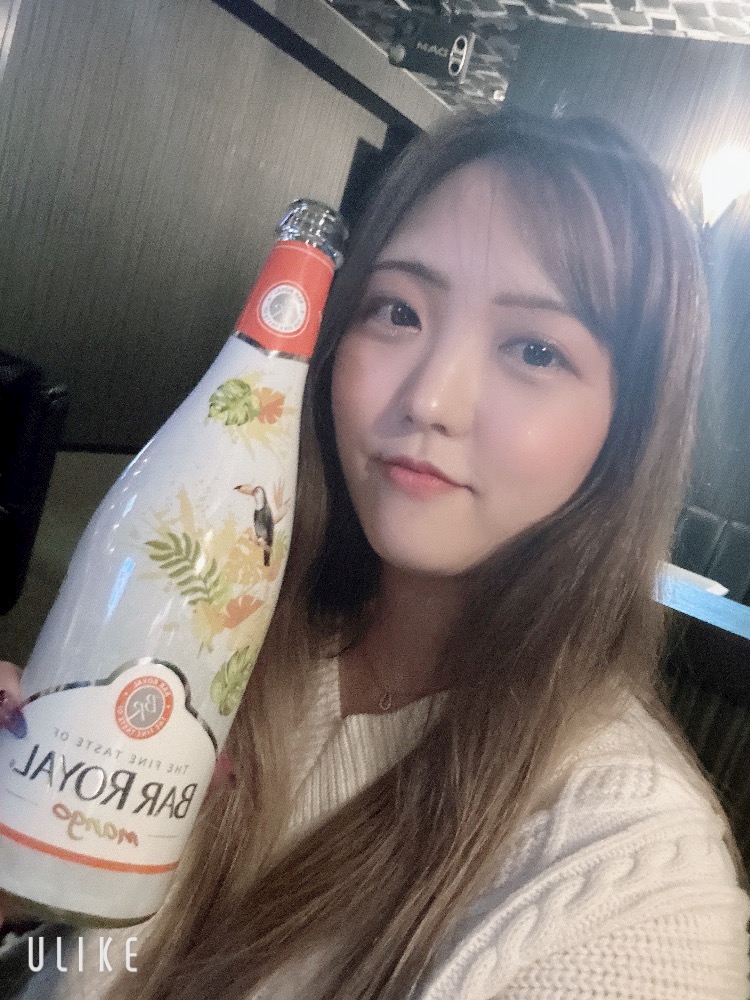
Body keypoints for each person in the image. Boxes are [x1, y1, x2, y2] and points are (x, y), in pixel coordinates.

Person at [1, 105, 748, 999]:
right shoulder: (219, 637)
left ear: (625, 431)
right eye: (397, 311)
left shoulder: (635, 881)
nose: (430, 399)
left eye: (535, 349)